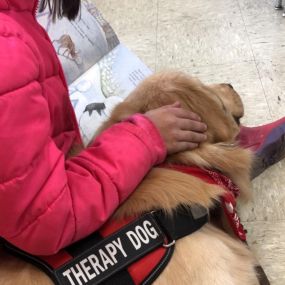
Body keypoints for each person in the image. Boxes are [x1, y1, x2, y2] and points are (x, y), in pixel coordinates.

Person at [0, 0, 284, 257]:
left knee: (157, 93)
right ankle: (225, 150)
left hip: (41, 187)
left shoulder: (16, 18)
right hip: (48, 228)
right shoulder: (7, 46)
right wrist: (146, 136)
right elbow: (46, 218)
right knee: (165, 88)